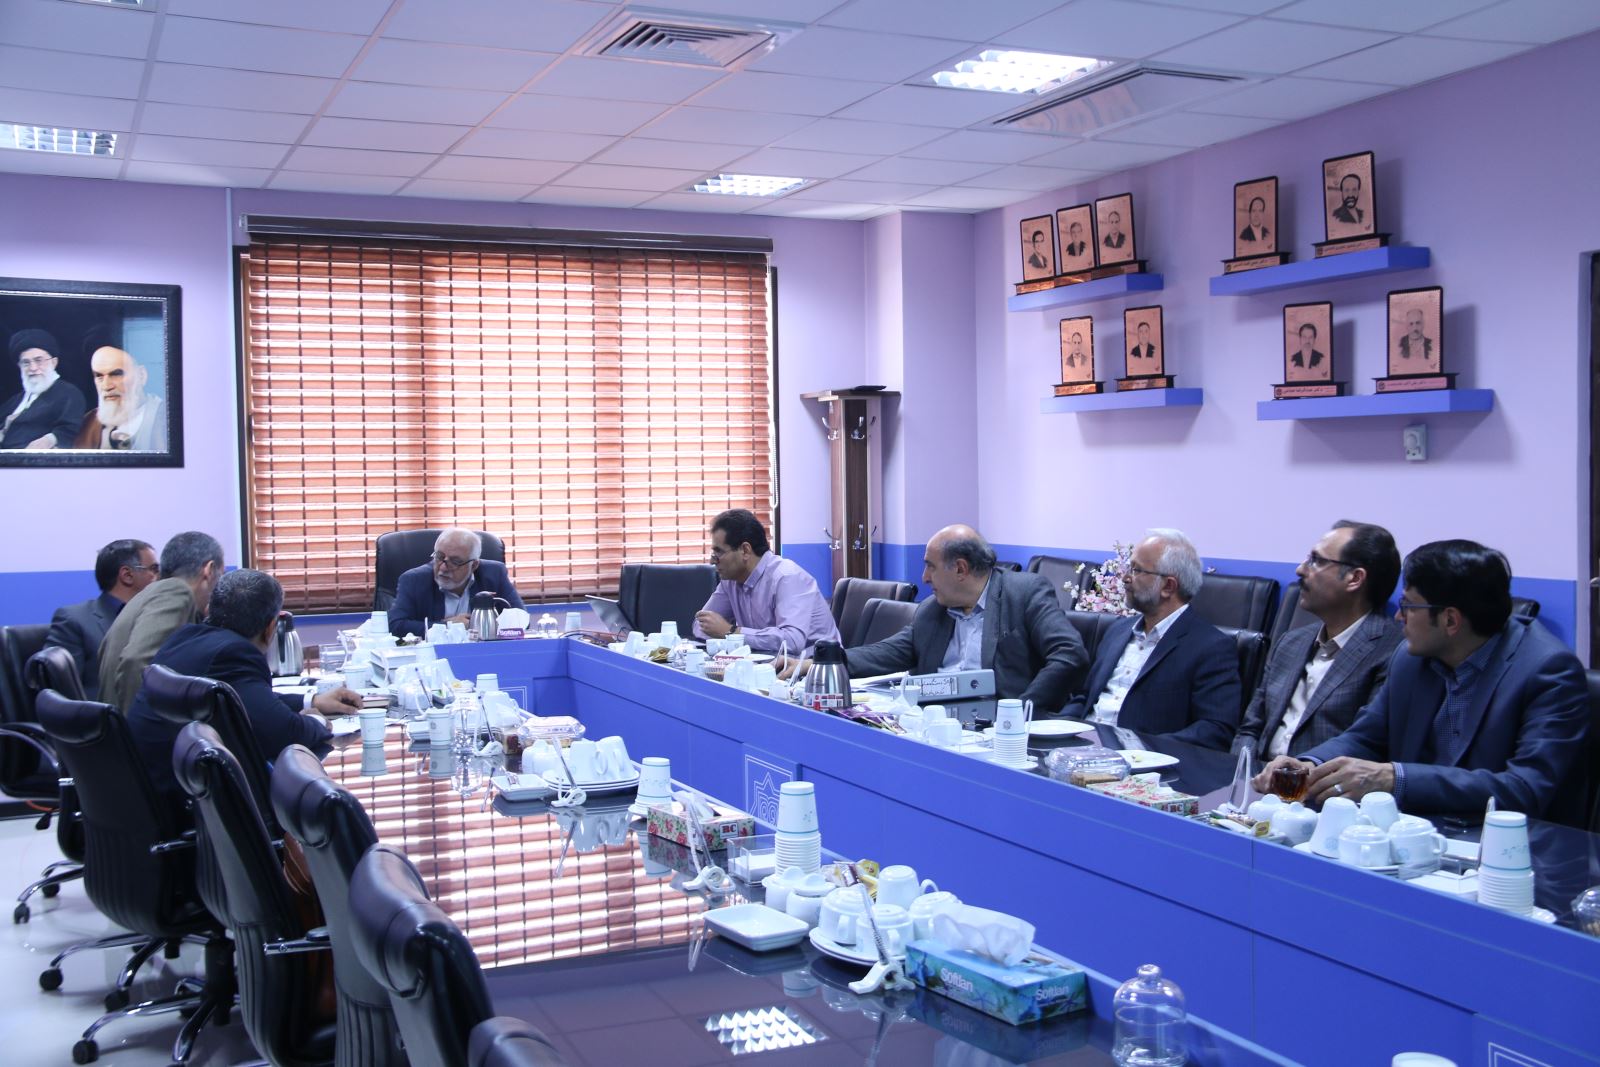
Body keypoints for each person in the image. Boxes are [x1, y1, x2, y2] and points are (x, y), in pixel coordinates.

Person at [1253, 541, 1590, 825]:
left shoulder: (1547, 670)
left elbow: (1525, 789)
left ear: (1450, 620)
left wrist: (1395, 778)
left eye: (1408, 606)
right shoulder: (1411, 657)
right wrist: (1309, 764)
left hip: (1505, 846)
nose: (1398, 617)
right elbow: (1366, 736)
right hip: (1414, 832)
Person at [126, 569, 361, 807]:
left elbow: (242, 699)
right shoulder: (234, 653)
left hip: (146, 794)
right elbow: (282, 733)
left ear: (209, 610)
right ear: (271, 628)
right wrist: (319, 722)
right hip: (182, 805)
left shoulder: (186, 637)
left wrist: (312, 701)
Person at [790, 525, 1087, 713]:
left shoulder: (1024, 593)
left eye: (930, 567)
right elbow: (890, 652)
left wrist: (1019, 712)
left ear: (960, 569)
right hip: (939, 723)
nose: (924, 578)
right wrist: (822, 664)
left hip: (1002, 728)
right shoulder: (933, 609)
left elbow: (1069, 654)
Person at [1234, 522, 1404, 761]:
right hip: (1255, 777)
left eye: (1316, 560)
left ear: (1355, 578)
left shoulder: (1393, 652)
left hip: (1319, 780)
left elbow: (1366, 744)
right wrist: (1241, 773)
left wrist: (1291, 775)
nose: (1300, 570)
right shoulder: (1291, 642)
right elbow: (1250, 729)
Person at [1066, 530, 1240, 749]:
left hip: (1141, 761)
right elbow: (1085, 698)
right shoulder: (1117, 630)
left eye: (1137, 570)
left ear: (1168, 586)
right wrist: (1058, 727)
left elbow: (1215, 730)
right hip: (1079, 748)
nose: (1126, 578)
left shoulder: (1211, 647)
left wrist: (1142, 749)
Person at [98, 531, 225, 712]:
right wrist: (142, 724)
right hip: (134, 724)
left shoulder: (151, 594)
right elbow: (138, 662)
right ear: (209, 570)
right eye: (221, 574)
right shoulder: (176, 591)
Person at [692, 509, 839, 655]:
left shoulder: (786, 577)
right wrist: (725, 633)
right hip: (767, 662)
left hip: (816, 662)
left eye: (719, 552)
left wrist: (731, 632)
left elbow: (792, 641)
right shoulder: (730, 581)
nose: (712, 561)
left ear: (745, 550)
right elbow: (701, 626)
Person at [44, 538, 158, 700]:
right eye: (154, 569)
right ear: (127, 575)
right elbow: (62, 694)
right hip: (103, 713)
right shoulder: (74, 620)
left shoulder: (156, 619)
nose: (159, 577)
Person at [389, 527, 523, 638]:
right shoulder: (413, 580)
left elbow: (521, 620)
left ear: (474, 565)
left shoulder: (494, 574)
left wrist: (486, 626)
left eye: (455, 562)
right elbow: (395, 626)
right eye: (439, 557)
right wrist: (448, 626)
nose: (443, 567)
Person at [1, 329, 85, 449]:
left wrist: (49, 440)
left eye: (38, 360)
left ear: (54, 362)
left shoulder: (69, 394)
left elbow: (69, 429)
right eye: (26, 363)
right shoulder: (14, 401)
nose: (33, 368)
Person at [74, 345, 167, 451]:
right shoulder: (89, 422)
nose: (106, 386)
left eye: (116, 374)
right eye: (99, 376)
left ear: (141, 375)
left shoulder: (166, 419)